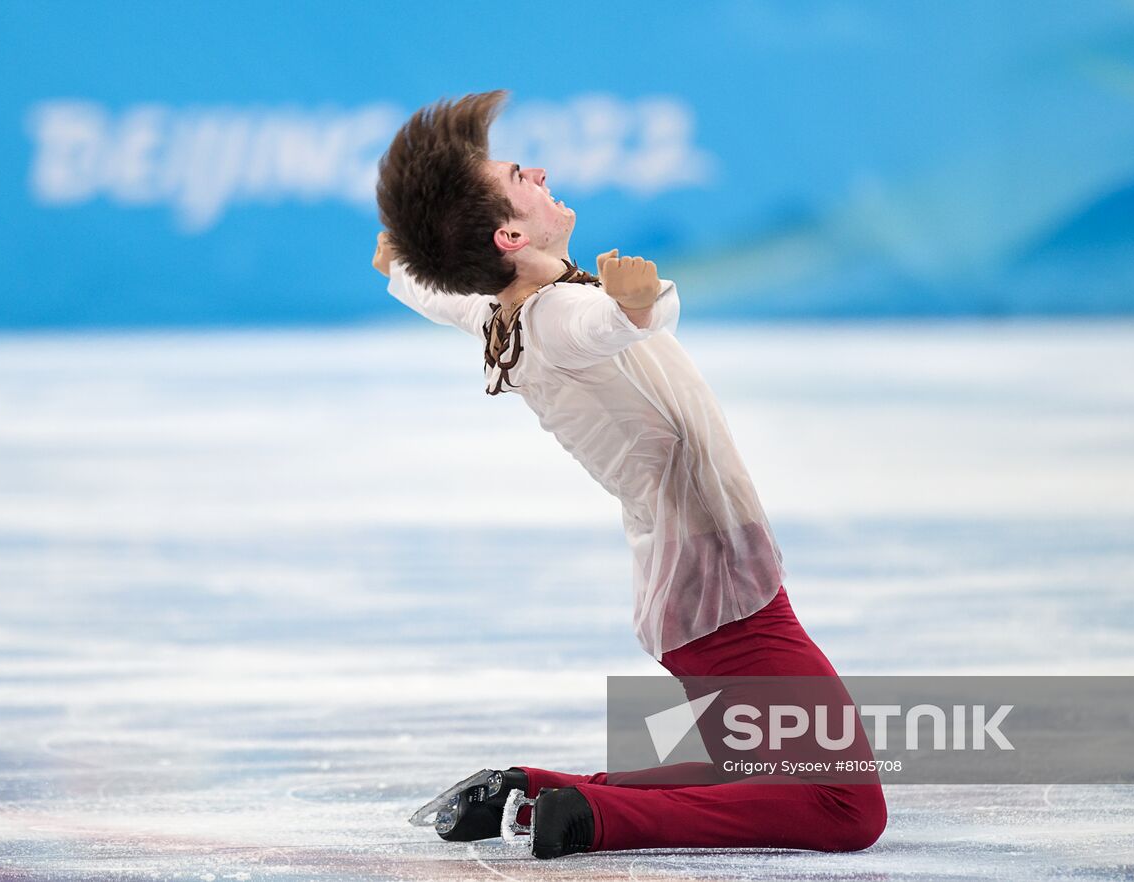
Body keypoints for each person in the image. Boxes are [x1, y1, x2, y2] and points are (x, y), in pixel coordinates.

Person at [372, 90, 886, 860]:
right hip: (721, 588)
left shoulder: (504, 312)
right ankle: (590, 820)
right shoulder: (557, 318)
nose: (540, 170)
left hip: (692, 579)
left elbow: (443, 298)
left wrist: (402, 267)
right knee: (844, 807)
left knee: (756, 767)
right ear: (509, 233)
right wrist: (636, 306)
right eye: (521, 173)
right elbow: (602, 326)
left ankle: (536, 794)